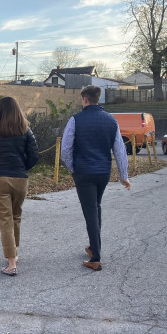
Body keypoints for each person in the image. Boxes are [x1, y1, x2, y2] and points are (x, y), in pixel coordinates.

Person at [60, 85, 130, 272]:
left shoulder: (75, 120)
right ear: (98, 99)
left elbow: (65, 149)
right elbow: (120, 150)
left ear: (84, 99)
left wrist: (73, 168)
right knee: (96, 207)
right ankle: (93, 247)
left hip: (84, 172)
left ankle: (96, 257)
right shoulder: (111, 120)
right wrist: (124, 175)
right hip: (103, 173)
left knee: (90, 211)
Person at [0, 97, 39, 276]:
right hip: (20, 178)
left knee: (5, 219)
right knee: (16, 216)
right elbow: (34, 156)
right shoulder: (26, 130)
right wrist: (22, 167)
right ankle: (14, 252)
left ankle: (11, 264)